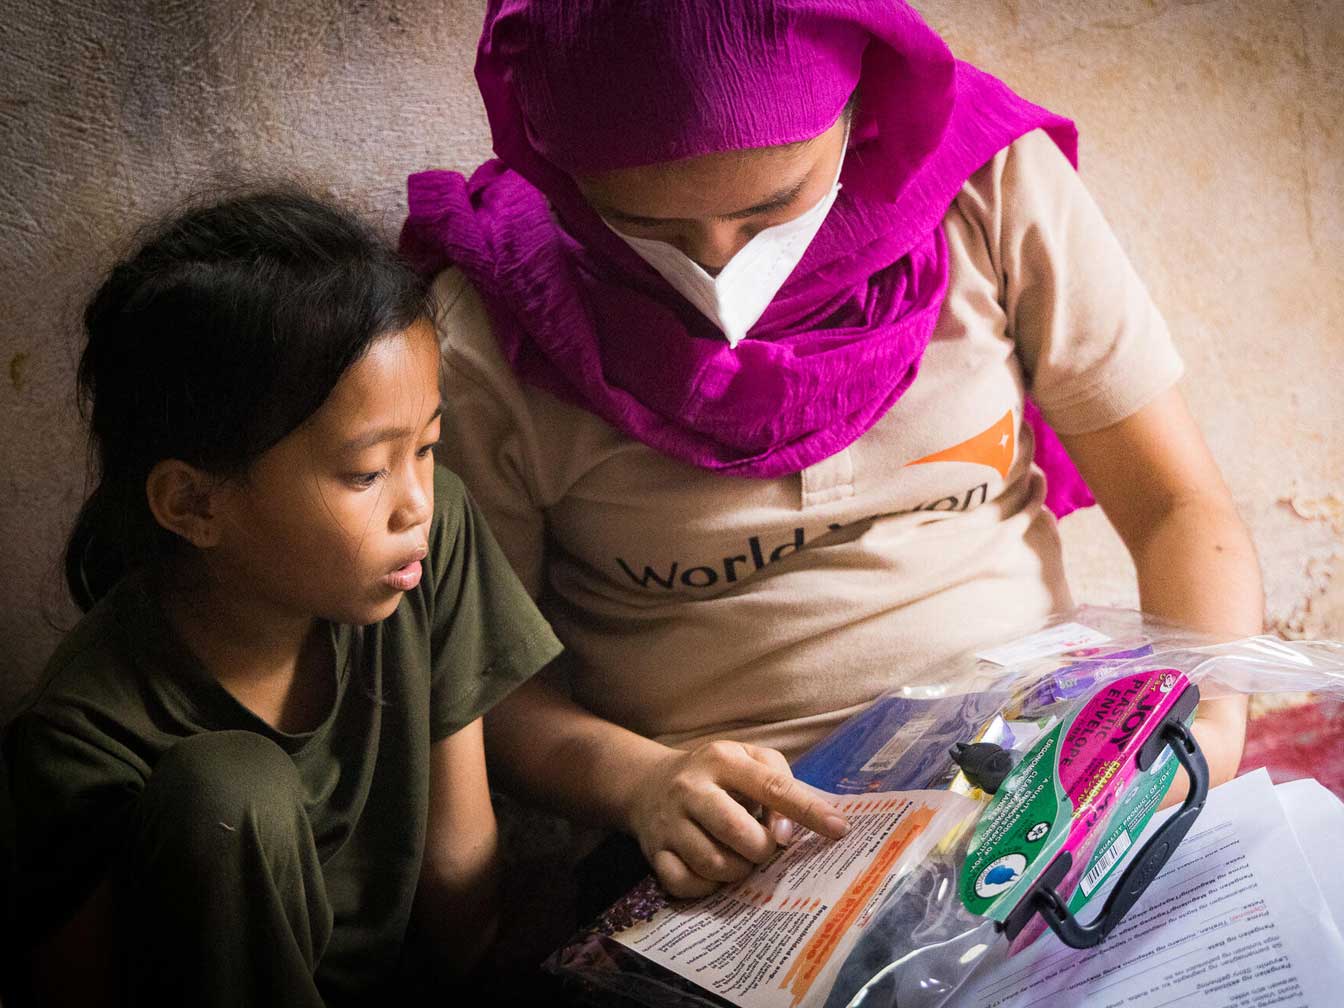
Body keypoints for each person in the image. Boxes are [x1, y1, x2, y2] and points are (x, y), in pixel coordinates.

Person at [401, 0, 1263, 902]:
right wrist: (640, 784)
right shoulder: (495, 333)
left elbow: (1177, 508)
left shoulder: (989, 192)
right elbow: (483, 688)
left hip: (1036, 776)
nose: (720, 268)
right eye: (646, 226)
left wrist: (1201, 735)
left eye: (772, 206)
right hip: (740, 853)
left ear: (862, 106)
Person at [1, 189, 563, 1006]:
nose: (416, 503)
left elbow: (457, 879)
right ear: (195, 505)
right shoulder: (85, 738)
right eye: (367, 473)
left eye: (428, 448)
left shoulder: (423, 552)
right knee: (231, 789)